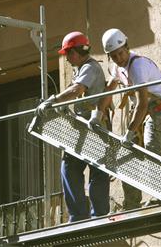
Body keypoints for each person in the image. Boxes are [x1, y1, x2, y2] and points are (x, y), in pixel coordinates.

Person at [88, 28, 161, 210]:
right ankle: (132, 203)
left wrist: (129, 132)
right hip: (141, 110)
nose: (119, 58)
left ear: (127, 47)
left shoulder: (138, 66)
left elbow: (143, 103)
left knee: (152, 149)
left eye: (120, 53)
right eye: (114, 56)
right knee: (127, 154)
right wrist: (98, 114)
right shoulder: (117, 68)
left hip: (158, 107)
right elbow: (109, 91)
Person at [36, 31, 110, 222]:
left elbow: (77, 90)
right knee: (69, 167)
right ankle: (79, 214)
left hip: (94, 126)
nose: (67, 58)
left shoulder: (90, 68)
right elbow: (74, 91)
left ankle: (98, 214)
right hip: (82, 127)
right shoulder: (80, 69)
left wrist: (53, 101)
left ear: (77, 51)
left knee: (97, 170)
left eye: (68, 53)